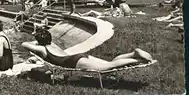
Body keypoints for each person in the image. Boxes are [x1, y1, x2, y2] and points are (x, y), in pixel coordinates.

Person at [22, 29, 154, 71]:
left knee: (108, 67)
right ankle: (133, 53)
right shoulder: (53, 44)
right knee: (110, 62)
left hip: (74, 61)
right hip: (77, 57)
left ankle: (136, 59)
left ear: (38, 41)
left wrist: (35, 42)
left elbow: (24, 44)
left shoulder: (42, 49)